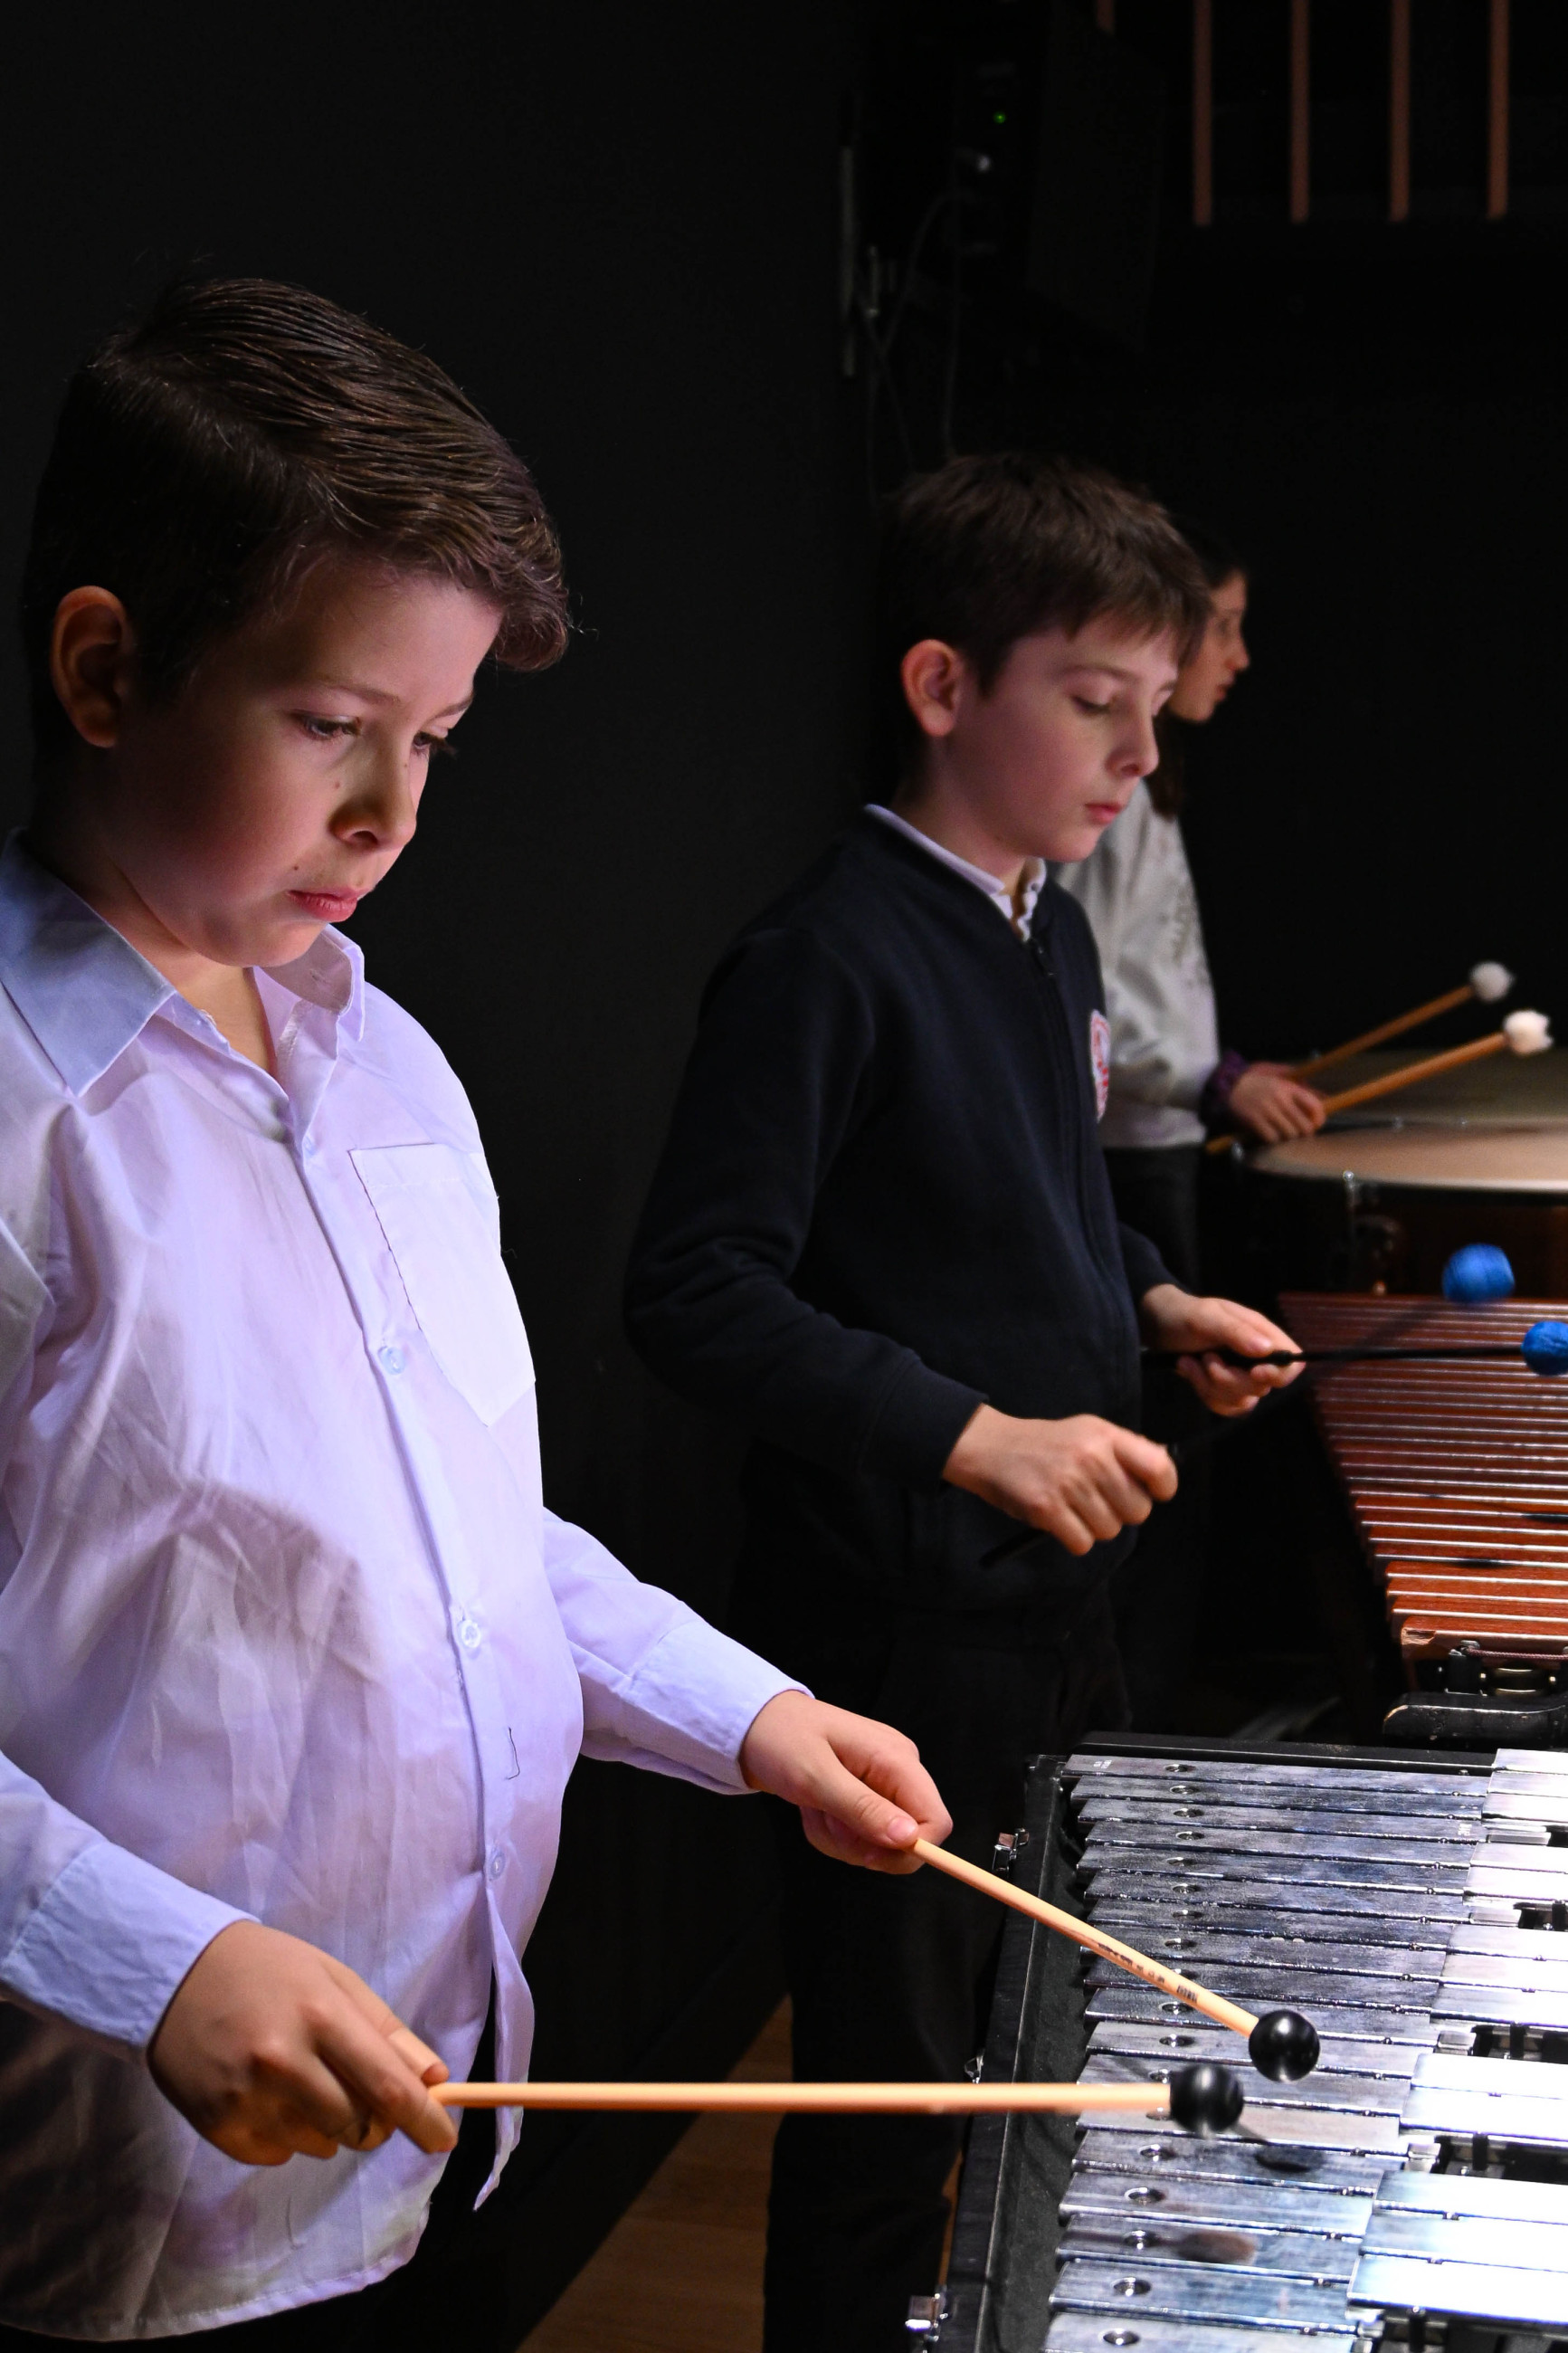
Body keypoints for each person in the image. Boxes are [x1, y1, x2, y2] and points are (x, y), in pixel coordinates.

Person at [0, 278, 955, 2348]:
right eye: (330, 725)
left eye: (430, 739)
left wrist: (745, 1715)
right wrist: (152, 1954)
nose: (395, 812)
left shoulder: (394, 1072)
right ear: (105, 669)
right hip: (129, 2222)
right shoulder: (19, 1122)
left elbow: (452, 1543)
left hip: (440, 2132)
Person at [623, 452, 1303, 2353]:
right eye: (1093, 704)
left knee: (1023, 2060)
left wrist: (1150, 1301)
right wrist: (972, 1435)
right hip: (891, 1630)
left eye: (1151, 709)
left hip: (1045, 1610)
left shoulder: (1043, 924)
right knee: (890, 2104)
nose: (1137, 757)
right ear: (940, 686)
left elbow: (1034, 1198)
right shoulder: (825, 953)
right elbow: (692, 1292)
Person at [1053, 519, 1326, 1289]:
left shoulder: (1145, 791)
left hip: (1157, 1133)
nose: (1239, 657)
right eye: (1224, 628)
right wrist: (1212, 1080)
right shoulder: (1112, 804)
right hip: (1124, 1147)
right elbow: (1076, 995)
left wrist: (1218, 1072)